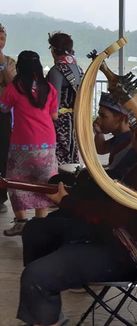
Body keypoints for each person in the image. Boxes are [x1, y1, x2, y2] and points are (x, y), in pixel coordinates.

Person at [16, 130, 137, 326]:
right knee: (36, 230)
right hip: (110, 234)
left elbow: (112, 216)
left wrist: (68, 202)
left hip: (128, 254)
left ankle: (45, 288)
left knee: (35, 276)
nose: (136, 132)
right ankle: (46, 311)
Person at [0, 50, 59, 236]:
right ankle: (40, 223)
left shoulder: (14, 88)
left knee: (16, 183)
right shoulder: (49, 88)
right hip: (46, 143)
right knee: (43, 183)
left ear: (19, 67)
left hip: (22, 144)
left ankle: (21, 222)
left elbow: (3, 108)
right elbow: (54, 115)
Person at [47, 32, 83, 165]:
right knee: (72, 155)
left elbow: (53, 105)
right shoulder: (79, 69)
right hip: (75, 120)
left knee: (60, 160)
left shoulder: (56, 70)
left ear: (54, 50)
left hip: (60, 122)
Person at [0, 23, 17, 213]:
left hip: (3, 115)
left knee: (3, 152)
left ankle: (0, 196)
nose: (0, 42)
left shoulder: (10, 61)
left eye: (2, 38)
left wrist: (2, 62)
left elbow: (12, 82)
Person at [93, 92, 131, 168]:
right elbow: (101, 149)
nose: (98, 119)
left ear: (122, 118)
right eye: (99, 115)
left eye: (103, 116)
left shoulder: (129, 141)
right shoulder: (122, 136)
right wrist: (99, 133)